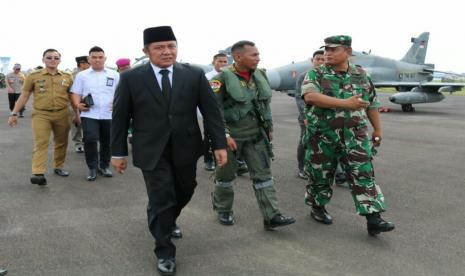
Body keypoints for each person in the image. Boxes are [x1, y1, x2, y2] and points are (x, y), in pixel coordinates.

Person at [111, 26, 227, 276]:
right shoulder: (131, 78)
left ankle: (166, 218)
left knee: (185, 189)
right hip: (151, 149)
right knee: (162, 196)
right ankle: (164, 250)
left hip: (186, 146)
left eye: (171, 46)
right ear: (146, 51)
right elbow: (120, 118)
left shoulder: (194, 74)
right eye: (159, 47)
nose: (167, 52)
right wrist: (117, 153)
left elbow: (212, 112)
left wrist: (218, 144)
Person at [301, 35, 395, 235]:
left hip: (355, 136)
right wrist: (346, 104)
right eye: (326, 50)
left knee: (364, 173)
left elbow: (372, 103)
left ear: (348, 52)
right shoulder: (316, 74)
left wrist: (377, 129)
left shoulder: (361, 75)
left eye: (333, 50)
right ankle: (317, 207)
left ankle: (373, 218)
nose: (328, 53)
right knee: (320, 174)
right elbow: (310, 97)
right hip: (322, 136)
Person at [210, 40, 295, 229]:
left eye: (258, 54)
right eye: (254, 55)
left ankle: (271, 216)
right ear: (238, 57)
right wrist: (223, 136)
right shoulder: (220, 79)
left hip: (256, 136)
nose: (258, 58)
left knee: (263, 176)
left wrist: (269, 127)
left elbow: (264, 104)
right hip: (231, 137)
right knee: (225, 176)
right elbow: (213, 111)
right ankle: (223, 209)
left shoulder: (260, 75)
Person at [7, 49, 74, 186]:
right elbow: (24, 95)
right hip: (41, 114)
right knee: (41, 142)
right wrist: (14, 113)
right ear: (43, 60)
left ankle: (58, 166)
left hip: (62, 113)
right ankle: (38, 172)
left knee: (61, 142)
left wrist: (77, 115)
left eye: (56, 58)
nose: (52, 60)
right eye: (49, 57)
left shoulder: (67, 76)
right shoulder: (33, 76)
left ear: (60, 60)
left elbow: (72, 97)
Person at [71, 46, 119, 181]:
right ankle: (92, 168)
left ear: (105, 58)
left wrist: (117, 103)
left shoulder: (114, 74)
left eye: (100, 57)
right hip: (89, 114)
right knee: (90, 139)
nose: (97, 60)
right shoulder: (82, 75)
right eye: (94, 57)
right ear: (89, 59)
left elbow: (121, 93)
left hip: (109, 114)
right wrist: (77, 105)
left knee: (107, 142)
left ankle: (104, 166)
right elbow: (76, 93)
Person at [295, 50, 324, 180]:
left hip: (325, 117)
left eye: (323, 59)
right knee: (305, 142)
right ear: (312, 61)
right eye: (318, 59)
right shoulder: (304, 76)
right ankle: (302, 167)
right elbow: (299, 97)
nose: (321, 62)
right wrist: (306, 116)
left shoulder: (330, 76)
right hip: (307, 117)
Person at [203, 53, 228, 171]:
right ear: (213, 63)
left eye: (225, 62)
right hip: (211, 112)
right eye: (220, 61)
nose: (222, 64)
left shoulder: (230, 76)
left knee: (229, 135)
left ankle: (235, 161)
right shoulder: (209, 77)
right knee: (209, 136)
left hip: (227, 112)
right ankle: (209, 160)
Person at [70, 56, 90, 153]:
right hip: (75, 103)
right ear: (82, 64)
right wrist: (76, 110)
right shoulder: (74, 75)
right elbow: (72, 93)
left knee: (89, 124)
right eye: (88, 62)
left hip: (88, 102)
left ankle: (88, 143)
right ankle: (78, 143)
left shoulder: (91, 73)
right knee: (77, 124)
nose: (90, 64)